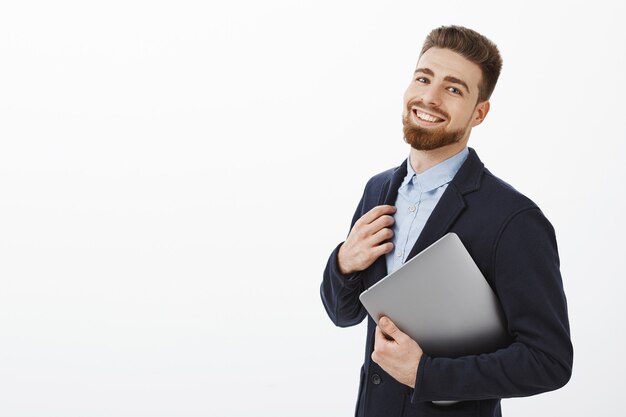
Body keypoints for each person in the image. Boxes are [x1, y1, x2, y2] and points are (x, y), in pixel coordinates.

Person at [320, 25, 573, 417]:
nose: (430, 98)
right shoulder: (378, 190)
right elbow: (344, 314)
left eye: (453, 89)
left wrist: (427, 374)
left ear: (479, 113)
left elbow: (549, 361)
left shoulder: (514, 219)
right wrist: (343, 263)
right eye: (423, 78)